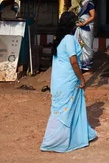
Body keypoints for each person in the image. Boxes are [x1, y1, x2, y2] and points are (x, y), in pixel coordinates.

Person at [41, 11, 97, 153]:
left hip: (60, 80)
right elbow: (73, 62)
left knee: (61, 109)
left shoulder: (58, 39)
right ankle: (54, 141)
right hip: (69, 80)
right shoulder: (69, 39)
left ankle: (77, 135)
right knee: (65, 110)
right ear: (72, 24)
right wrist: (82, 78)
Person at [74, 0, 96, 72]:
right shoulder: (78, 4)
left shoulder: (89, 4)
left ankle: (86, 65)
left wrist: (83, 23)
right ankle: (80, 65)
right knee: (79, 45)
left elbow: (93, 16)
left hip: (86, 28)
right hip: (79, 28)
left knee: (86, 46)